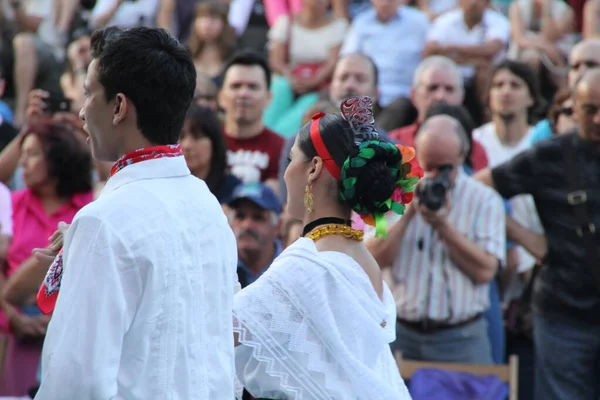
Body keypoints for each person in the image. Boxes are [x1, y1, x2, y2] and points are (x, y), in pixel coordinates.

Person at [34, 27, 238, 399]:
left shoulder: (103, 223)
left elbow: (77, 380)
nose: (81, 111)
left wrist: (89, 240)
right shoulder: (207, 205)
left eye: (88, 94)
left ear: (119, 107)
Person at [233, 96, 416, 399]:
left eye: (292, 160)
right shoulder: (363, 259)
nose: (286, 172)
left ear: (314, 167)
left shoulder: (305, 264)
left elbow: (221, 331)